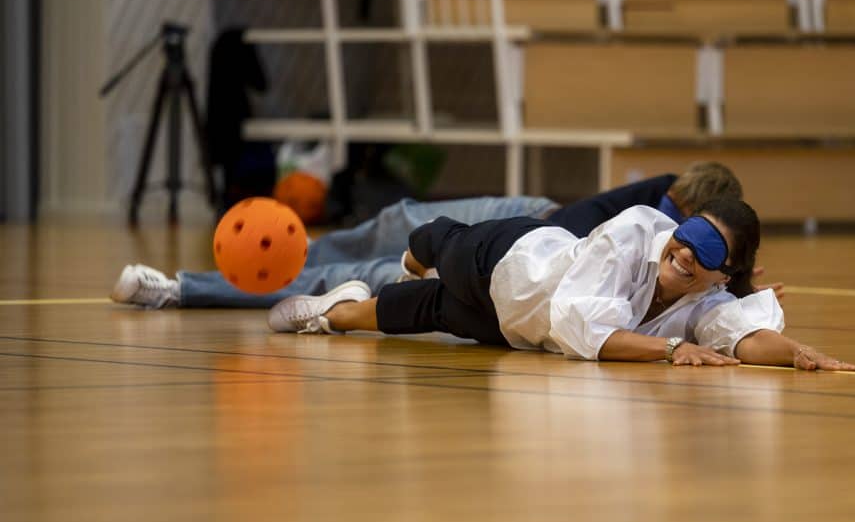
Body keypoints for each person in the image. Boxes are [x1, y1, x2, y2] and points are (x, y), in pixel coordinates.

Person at [266, 198, 851, 372]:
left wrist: (796, 354)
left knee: (408, 314)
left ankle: (332, 312)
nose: (685, 254)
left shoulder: (708, 299)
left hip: (511, 328)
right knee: (440, 240)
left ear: (724, 274)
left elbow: (741, 338)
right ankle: (417, 251)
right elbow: (579, 326)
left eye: (709, 254)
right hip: (507, 262)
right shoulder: (635, 232)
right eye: (689, 236)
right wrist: (670, 348)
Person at [110, 163, 772, 309]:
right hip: (536, 221)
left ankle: (179, 290)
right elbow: (580, 213)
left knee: (370, 277)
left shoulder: (677, 252)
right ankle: (284, 250)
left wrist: (743, 291)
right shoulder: (657, 194)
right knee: (398, 218)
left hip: (520, 264)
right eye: (676, 205)